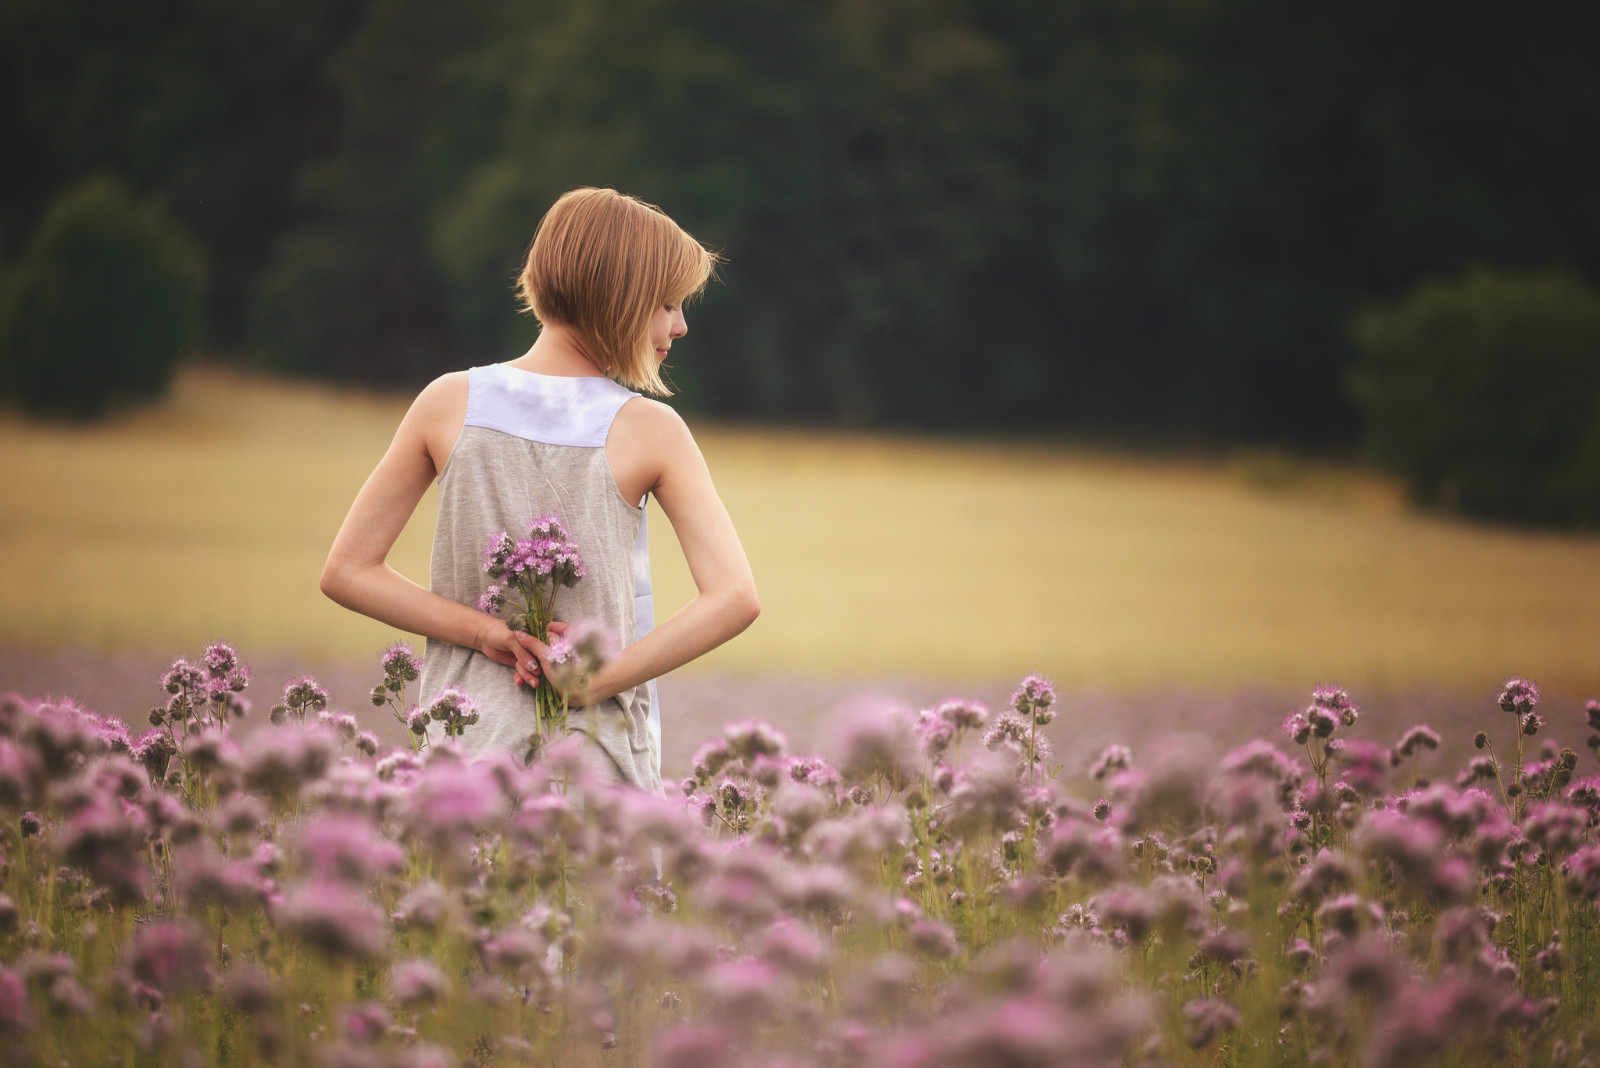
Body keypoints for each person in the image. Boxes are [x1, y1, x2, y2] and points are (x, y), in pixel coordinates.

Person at [320, 187, 760, 794]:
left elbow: (348, 570)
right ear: (620, 297)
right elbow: (735, 597)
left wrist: (485, 634)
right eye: (667, 303)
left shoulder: (448, 402)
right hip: (591, 768)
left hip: (462, 761)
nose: (680, 326)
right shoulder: (652, 430)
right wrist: (599, 682)